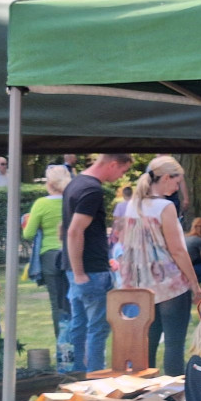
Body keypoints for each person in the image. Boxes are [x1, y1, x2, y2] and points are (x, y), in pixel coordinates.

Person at [118, 156, 201, 375]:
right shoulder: (165, 206)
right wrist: (194, 283)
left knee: (148, 344)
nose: (177, 188)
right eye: (176, 182)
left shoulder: (132, 206)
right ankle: (173, 393)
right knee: (174, 344)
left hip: (141, 284)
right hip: (170, 282)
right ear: (166, 177)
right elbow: (177, 250)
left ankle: (145, 391)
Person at [63, 153, 132, 372]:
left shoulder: (75, 183)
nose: (122, 176)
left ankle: (75, 374)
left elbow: (65, 229)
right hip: (89, 270)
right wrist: (79, 272)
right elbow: (74, 231)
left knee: (79, 325)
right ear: (112, 164)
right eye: (122, 171)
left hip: (77, 268)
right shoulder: (92, 190)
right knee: (97, 328)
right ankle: (93, 376)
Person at [22, 165, 73, 338]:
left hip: (50, 256)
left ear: (48, 183)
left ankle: (63, 349)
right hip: (72, 254)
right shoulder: (73, 201)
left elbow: (28, 233)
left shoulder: (41, 204)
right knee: (74, 302)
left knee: (57, 304)